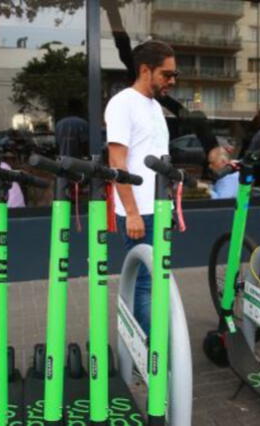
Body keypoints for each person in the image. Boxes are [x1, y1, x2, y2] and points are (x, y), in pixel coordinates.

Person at [106, 40, 177, 335]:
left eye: (174, 76)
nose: (172, 81)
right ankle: (150, 358)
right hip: (140, 212)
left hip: (159, 208)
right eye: (166, 74)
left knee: (157, 281)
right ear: (145, 70)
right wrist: (132, 213)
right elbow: (117, 163)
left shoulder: (155, 106)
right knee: (146, 284)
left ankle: (153, 352)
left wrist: (170, 204)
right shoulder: (123, 103)